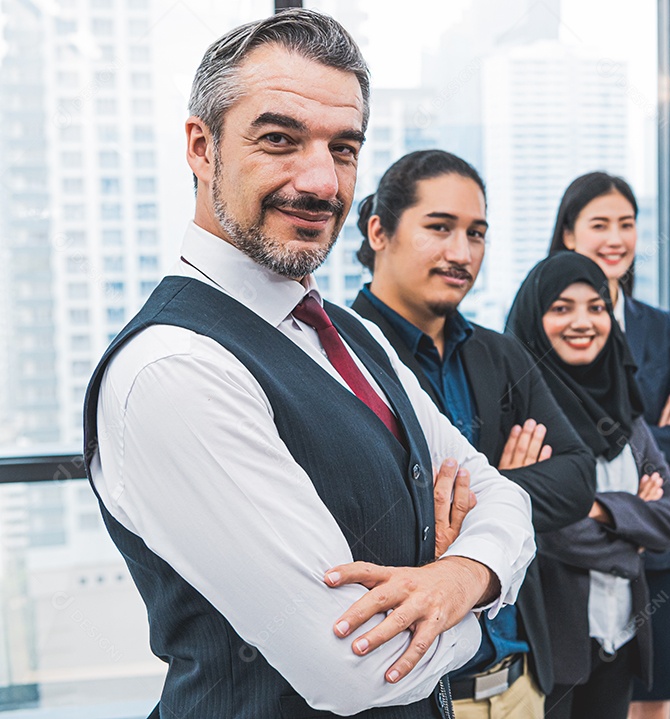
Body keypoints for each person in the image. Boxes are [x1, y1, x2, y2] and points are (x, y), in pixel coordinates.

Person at [82, 11, 534, 718]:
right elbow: (359, 668)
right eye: (279, 139)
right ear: (202, 147)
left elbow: (503, 496)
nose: (322, 181)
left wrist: (459, 574)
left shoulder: (350, 332)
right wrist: (486, 608)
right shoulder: (173, 370)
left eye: (344, 148)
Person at [351, 149, 596, 718]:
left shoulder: (500, 354)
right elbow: (368, 524)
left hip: (517, 684)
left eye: (477, 233)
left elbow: (578, 477)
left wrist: (481, 495)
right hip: (412, 691)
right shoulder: (339, 358)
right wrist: (506, 488)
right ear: (379, 231)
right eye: (440, 228)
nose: (462, 253)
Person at [547, 172, 670, 719]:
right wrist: (639, 441)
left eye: (627, 224)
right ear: (569, 235)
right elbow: (551, 439)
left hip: (657, 556)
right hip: (573, 552)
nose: (616, 238)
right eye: (599, 225)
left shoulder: (655, 325)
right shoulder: (542, 321)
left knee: (654, 704)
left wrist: (643, 440)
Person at [505, 252, 670, 719]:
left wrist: (599, 510)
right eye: (562, 308)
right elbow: (547, 533)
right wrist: (635, 530)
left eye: (596, 307)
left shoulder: (626, 416)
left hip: (622, 635)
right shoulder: (523, 418)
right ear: (534, 318)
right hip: (551, 650)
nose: (582, 321)